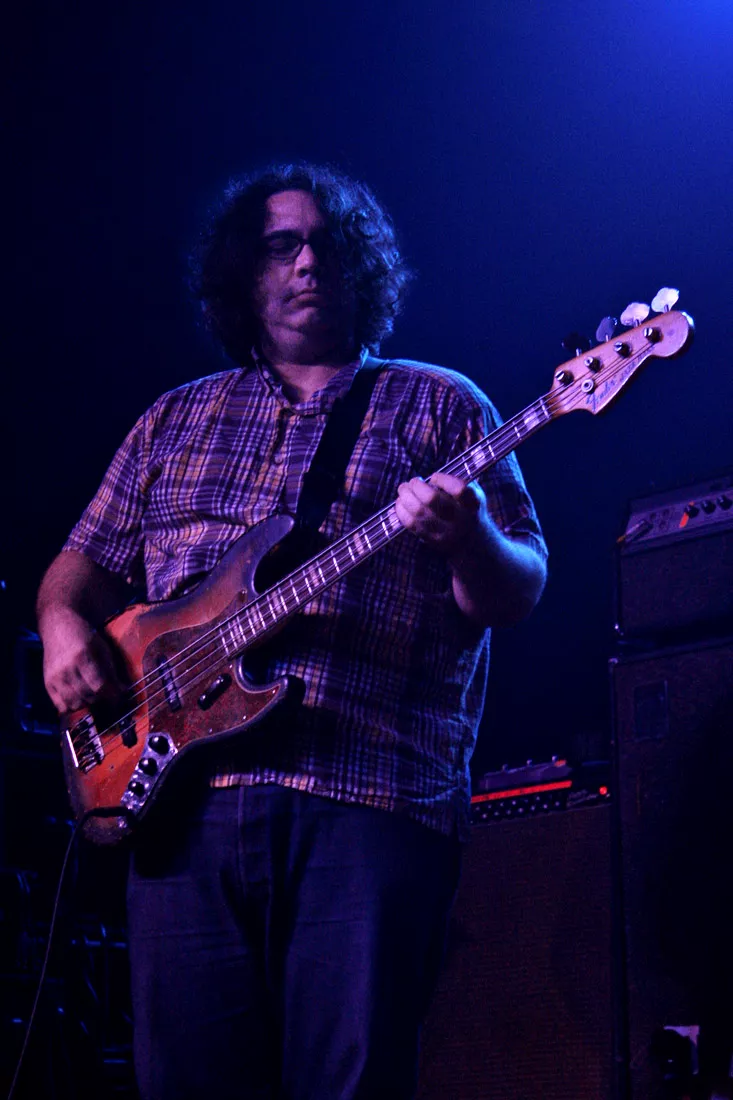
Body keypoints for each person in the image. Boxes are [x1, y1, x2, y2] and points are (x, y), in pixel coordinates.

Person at [36, 163, 548, 1100]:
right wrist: (63, 627)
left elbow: (515, 591)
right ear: (245, 271)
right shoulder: (172, 419)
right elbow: (78, 566)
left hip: (367, 793)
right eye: (281, 246)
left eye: (326, 243)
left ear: (361, 267)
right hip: (180, 804)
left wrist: (469, 532)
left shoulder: (440, 404)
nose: (308, 261)